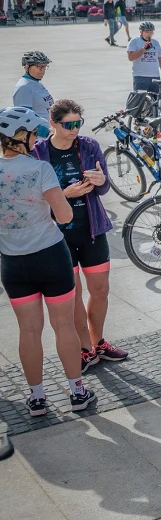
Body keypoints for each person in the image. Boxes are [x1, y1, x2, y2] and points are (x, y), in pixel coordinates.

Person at [0, 106, 95, 417]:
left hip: (13, 261)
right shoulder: (39, 169)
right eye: (33, 133)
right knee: (63, 325)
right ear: (22, 136)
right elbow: (64, 216)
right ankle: (77, 392)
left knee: (28, 331)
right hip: (51, 256)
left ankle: (37, 398)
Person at [33, 99, 126, 372]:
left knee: (101, 290)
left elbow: (104, 187)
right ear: (53, 124)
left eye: (78, 123)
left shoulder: (89, 146)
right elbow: (33, 199)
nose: (74, 129)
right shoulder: (39, 153)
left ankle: (99, 342)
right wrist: (64, 195)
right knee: (73, 295)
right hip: (58, 236)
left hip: (91, 229)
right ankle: (85, 349)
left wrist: (100, 182)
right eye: (68, 124)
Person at [126, 22, 161, 103]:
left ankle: (155, 115)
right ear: (141, 32)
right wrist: (144, 50)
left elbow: (160, 60)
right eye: (146, 32)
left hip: (155, 77)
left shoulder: (155, 42)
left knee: (156, 102)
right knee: (139, 102)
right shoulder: (134, 41)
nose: (149, 34)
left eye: (151, 32)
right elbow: (130, 57)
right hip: (140, 76)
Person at [13, 52, 55, 116]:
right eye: (39, 66)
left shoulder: (36, 82)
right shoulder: (24, 87)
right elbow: (24, 117)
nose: (43, 70)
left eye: (44, 66)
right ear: (27, 67)